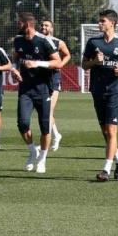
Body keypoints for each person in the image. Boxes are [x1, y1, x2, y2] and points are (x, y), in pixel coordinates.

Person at [82, 9, 118, 181]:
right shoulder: (93, 42)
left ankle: (106, 168)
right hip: (98, 89)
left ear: (112, 23)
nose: (99, 24)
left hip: (116, 89)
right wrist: (95, 62)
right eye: (99, 21)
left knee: (112, 129)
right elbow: (84, 65)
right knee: (105, 131)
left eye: (102, 21)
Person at [13, 12, 63, 174]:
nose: (16, 25)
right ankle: (33, 151)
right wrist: (14, 70)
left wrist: (37, 63)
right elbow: (14, 58)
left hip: (43, 90)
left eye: (18, 22)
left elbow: (58, 62)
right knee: (22, 123)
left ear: (27, 24)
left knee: (45, 128)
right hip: (25, 90)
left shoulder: (44, 41)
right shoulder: (18, 40)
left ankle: (42, 159)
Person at [40, 20, 72, 151]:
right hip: (40, 78)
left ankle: (48, 141)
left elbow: (67, 55)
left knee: (48, 111)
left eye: (46, 25)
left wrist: (60, 64)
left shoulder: (58, 42)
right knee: (44, 111)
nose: (43, 27)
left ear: (52, 28)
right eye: (42, 25)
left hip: (53, 78)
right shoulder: (37, 40)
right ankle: (56, 135)